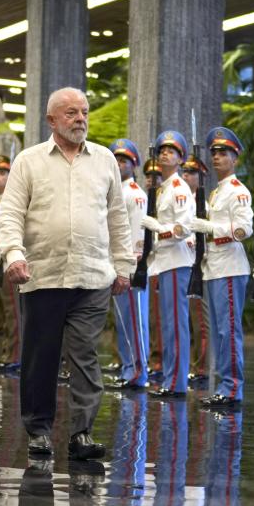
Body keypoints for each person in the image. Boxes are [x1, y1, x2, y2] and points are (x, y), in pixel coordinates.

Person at [0, 86, 134, 459]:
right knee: (40, 357)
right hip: (41, 276)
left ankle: (82, 434)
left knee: (85, 356)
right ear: (51, 120)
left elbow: (118, 217)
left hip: (92, 277)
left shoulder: (104, 160)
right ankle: (39, 430)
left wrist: (123, 265)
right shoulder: (29, 161)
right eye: (71, 113)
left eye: (84, 112)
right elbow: (9, 212)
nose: (80, 119)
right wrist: (13, 254)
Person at [192, 127, 253, 408]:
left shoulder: (237, 192)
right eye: (214, 153)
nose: (217, 158)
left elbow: (244, 229)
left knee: (228, 330)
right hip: (215, 267)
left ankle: (232, 388)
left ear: (235, 159)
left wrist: (211, 228)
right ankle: (224, 384)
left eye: (223, 153)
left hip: (229, 267)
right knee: (218, 330)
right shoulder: (218, 192)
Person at [140, 130, 195, 398]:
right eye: (162, 150)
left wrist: (157, 228)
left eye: (171, 151)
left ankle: (176, 382)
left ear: (181, 158)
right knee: (168, 324)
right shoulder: (163, 188)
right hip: (165, 261)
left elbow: (183, 228)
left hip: (176, 260)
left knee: (175, 324)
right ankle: (172, 378)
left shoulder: (178, 188)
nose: (165, 154)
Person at [106, 137, 149, 391]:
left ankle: (138, 373)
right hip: (113, 264)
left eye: (124, 160)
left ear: (134, 165)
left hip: (130, 266)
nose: (119, 164)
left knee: (135, 322)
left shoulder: (135, 195)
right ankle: (127, 368)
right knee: (123, 322)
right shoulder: (112, 191)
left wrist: (131, 265)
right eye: (115, 159)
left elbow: (137, 234)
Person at [0, 155, 22, 373]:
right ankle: (7, 352)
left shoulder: (13, 199)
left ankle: (15, 355)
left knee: (12, 311)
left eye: (3, 173)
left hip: (8, 260)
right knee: (2, 311)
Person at [180, 154, 210, 385]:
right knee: (190, 319)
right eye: (185, 172)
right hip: (183, 264)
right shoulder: (183, 200)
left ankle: (202, 368)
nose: (185, 175)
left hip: (198, 265)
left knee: (201, 321)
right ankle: (195, 364)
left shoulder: (204, 205)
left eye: (191, 172)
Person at [142, 157, 164, 383]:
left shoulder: (168, 198)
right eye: (148, 176)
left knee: (164, 318)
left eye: (156, 177)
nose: (151, 180)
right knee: (154, 317)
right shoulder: (148, 201)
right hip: (151, 264)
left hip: (166, 262)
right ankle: (155, 359)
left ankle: (161, 363)